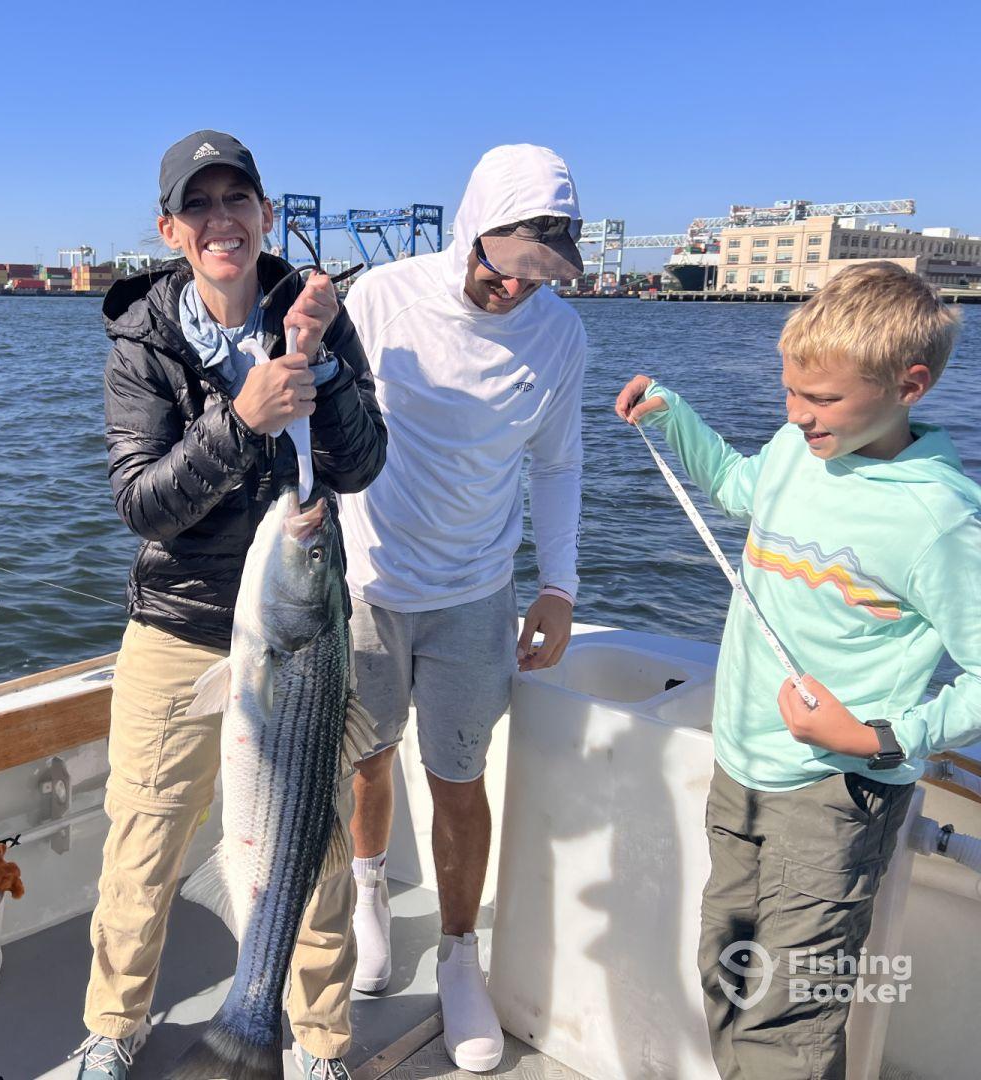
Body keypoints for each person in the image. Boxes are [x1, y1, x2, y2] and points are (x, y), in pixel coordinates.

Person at [615, 261, 978, 1079]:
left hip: (835, 794)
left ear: (909, 386)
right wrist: (672, 416)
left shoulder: (938, 516)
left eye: (822, 401)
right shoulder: (793, 447)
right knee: (728, 967)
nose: (797, 415)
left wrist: (877, 734)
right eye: (790, 392)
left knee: (791, 1011)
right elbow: (740, 486)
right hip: (740, 767)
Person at [78, 130, 387, 1080]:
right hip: (177, 624)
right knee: (143, 836)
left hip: (305, 624)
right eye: (199, 205)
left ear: (264, 215)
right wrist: (239, 419)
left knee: (314, 851)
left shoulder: (315, 314)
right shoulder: (144, 340)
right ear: (172, 230)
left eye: (237, 200)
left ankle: (320, 1044)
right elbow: (143, 504)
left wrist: (322, 370)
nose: (222, 221)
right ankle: (114, 1025)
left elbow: (363, 460)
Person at [336, 144, 587, 1072]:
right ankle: (368, 899)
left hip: (476, 595)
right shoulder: (382, 297)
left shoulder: (560, 337)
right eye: (501, 268)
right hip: (363, 581)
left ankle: (456, 955)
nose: (514, 291)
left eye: (536, 276)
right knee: (367, 758)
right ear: (468, 230)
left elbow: (557, 464)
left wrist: (558, 587)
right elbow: (321, 420)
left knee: (459, 780)